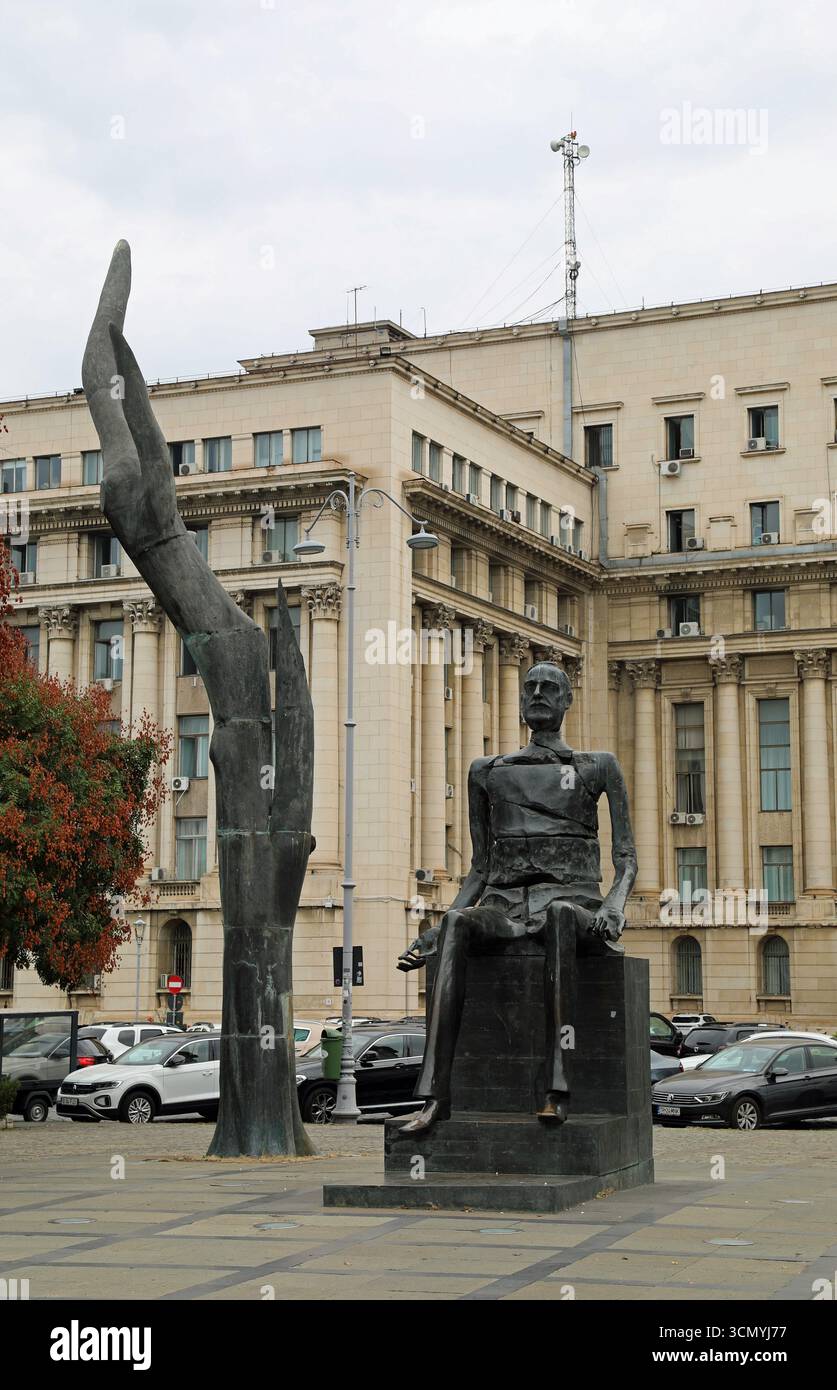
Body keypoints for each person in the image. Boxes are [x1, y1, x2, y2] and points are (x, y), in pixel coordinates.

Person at [396, 661, 637, 1136]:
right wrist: (437, 933)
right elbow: (481, 866)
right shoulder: (487, 771)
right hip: (506, 907)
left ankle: (557, 1089)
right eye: (530, 687)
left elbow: (626, 858)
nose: (538, 693)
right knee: (461, 925)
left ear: (568, 701)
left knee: (562, 916)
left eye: (550, 687)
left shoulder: (597, 766)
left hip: (576, 906)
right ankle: (435, 1098)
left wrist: (613, 906)